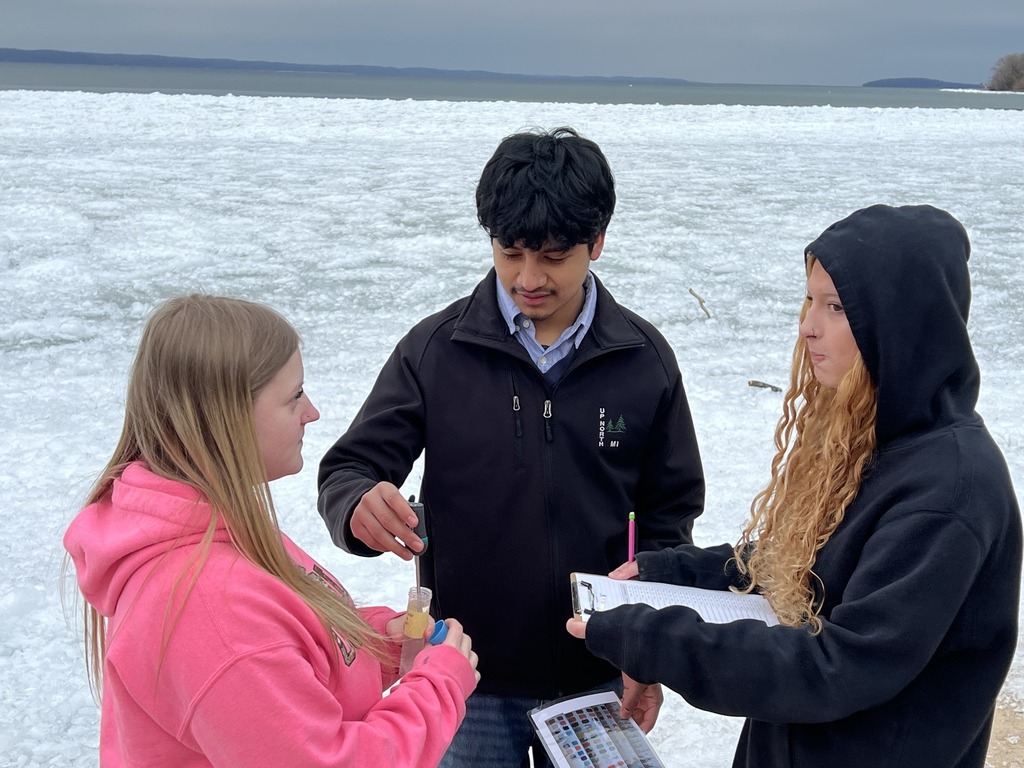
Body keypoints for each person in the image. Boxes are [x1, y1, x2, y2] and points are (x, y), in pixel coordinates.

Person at [567, 203, 1023, 767]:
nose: (808, 325)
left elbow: (838, 667)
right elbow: (803, 568)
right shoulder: (870, 439)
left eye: (836, 307)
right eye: (810, 300)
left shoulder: (951, 490)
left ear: (901, 324)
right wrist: (673, 572)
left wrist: (655, 639)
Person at [318, 127, 705, 767]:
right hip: (465, 677)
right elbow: (349, 469)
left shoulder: (644, 361)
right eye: (510, 252)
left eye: (553, 256)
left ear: (597, 242)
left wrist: (647, 647)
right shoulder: (435, 350)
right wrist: (357, 503)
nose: (529, 277)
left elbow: (669, 517)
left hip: (597, 676)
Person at [64, 294, 480, 767]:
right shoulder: (211, 609)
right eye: (294, 396)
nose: (312, 412)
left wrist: (377, 640)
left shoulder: (207, 524)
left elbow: (283, 649)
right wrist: (438, 687)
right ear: (228, 417)